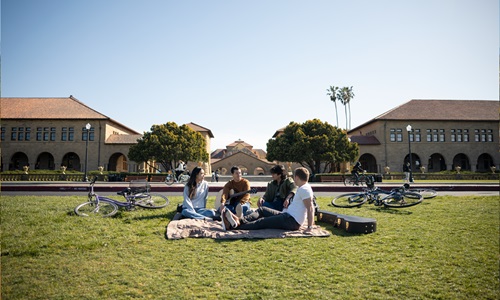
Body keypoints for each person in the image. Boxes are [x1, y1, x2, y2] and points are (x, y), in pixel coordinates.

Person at [221, 167, 315, 232]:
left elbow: (310, 208)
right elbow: (311, 207)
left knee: (262, 222)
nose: (294, 179)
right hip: (287, 215)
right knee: (262, 210)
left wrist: (310, 227)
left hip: (291, 221)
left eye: (294, 177)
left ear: (297, 177)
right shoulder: (303, 187)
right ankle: (239, 220)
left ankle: (235, 226)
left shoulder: (304, 189)